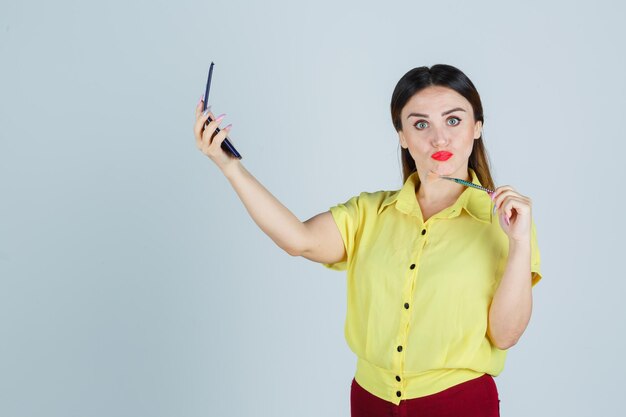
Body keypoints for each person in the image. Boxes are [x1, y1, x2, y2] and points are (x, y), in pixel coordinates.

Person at [193, 64, 542, 417]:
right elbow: (298, 239)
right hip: (370, 401)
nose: (439, 138)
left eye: (453, 120)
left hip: (459, 403)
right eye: (420, 124)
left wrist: (519, 243)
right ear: (402, 136)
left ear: (477, 127)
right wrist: (230, 167)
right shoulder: (370, 213)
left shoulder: (507, 222)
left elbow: (505, 336)